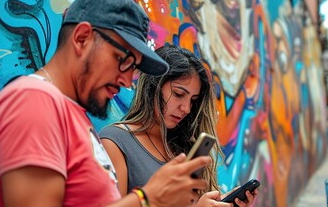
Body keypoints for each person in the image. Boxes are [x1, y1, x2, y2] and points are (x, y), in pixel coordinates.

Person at [0, 0, 214, 207]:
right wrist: (147, 199)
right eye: (122, 60)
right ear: (82, 37)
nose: (126, 81)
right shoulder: (35, 101)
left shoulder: (72, 116)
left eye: (132, 67)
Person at [100, 44, 258, 207]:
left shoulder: (184, 148)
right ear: (153, 86)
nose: (186, 108)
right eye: (178, 94)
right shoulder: (115, 142)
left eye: (193, 100)